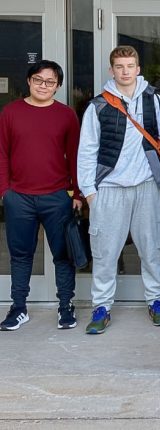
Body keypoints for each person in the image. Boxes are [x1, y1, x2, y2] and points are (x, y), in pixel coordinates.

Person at [78, 45, 160, 334]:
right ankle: (101, 306)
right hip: (109, 188)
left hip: (148, 186)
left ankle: (155, 300)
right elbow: (87, 150)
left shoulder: (154, 101)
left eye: (130, 66)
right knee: (105, 252)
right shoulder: (98, 105)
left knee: (152, 249)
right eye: (120, 66)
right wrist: (90, 192)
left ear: (138, 69)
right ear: (112, 70)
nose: (125, 71)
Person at [0, 60, 81, 331]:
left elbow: (76, 156)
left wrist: (77, 192)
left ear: (58, 86)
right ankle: (18, 308)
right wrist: (5, 192)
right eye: (38, 80)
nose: (43, 85)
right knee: (20, 255)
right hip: (19, 197)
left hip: (57, 195)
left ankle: (65, 307)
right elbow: (2, 155)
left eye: (50, 82)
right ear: (29, 81)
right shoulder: (10, 113)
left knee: (63, 255)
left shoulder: (66, 115)